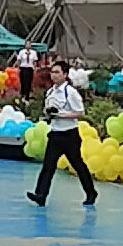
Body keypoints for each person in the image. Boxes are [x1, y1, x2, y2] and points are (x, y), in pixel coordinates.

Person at [28, 61, 98, 207]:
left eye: (57, 72)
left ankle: (91, 192)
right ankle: (41, 195)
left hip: (69, 134)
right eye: (52, 72)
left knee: (78, 165)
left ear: (65, 75)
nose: (53, 75)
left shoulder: (70, 92)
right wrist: (49, 114)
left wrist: (61, 115)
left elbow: (80, 112)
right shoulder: (50, 92)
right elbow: (47, 109)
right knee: (48, 166)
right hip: (55, 134)